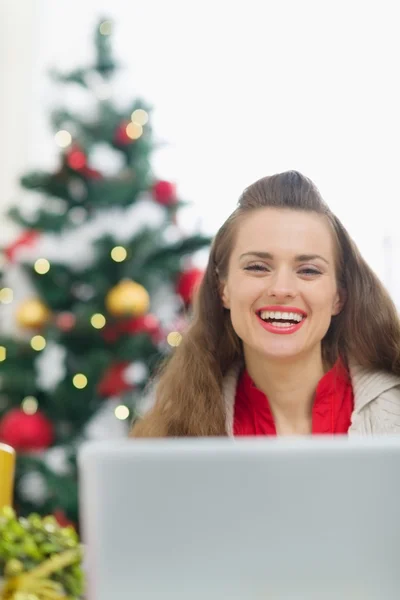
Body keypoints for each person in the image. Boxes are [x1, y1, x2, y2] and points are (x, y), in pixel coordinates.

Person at [131, 170, 400, 438]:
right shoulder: (172, 432)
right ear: (223, 288)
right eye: (258, 267)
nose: (281, 289)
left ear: (339, 297)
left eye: (308, 270)